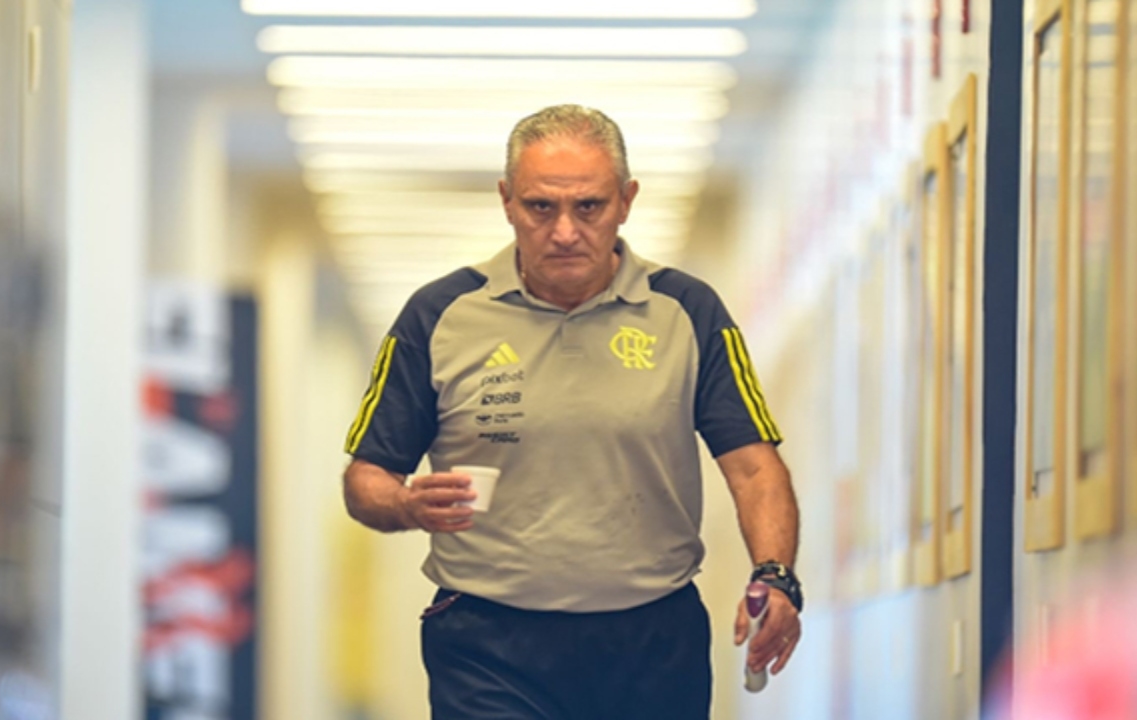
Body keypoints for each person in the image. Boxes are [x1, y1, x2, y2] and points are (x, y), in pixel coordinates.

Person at [342, 104, 802, 720]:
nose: (564, 231)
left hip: (653, 638)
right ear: (507, 201)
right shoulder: (439, 314)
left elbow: (754, 467)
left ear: (626, 201)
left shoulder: (687, 311)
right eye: (540, 207)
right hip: (486, 641)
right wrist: (404, 505)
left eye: (588, 207)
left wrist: (775, 576)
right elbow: (366, 477)